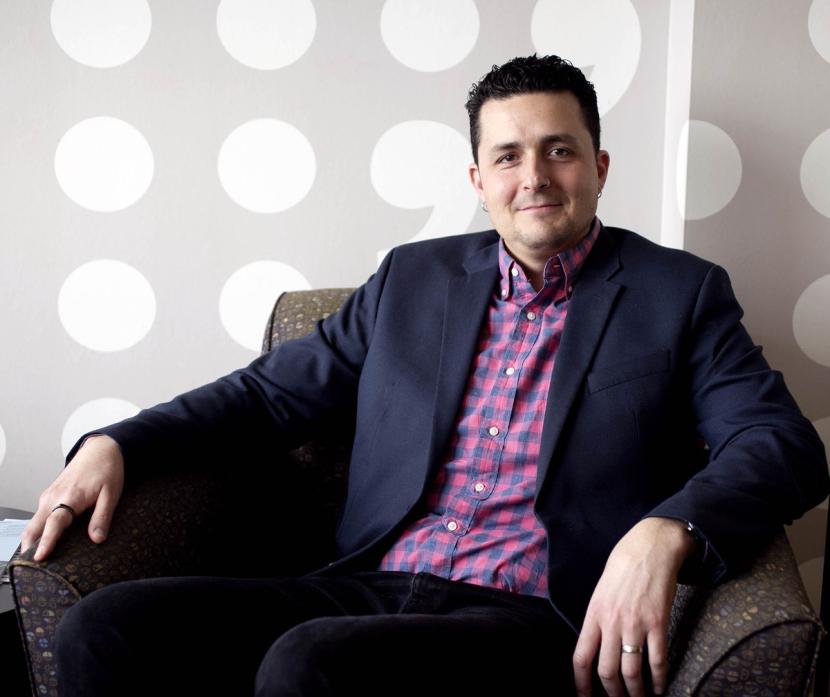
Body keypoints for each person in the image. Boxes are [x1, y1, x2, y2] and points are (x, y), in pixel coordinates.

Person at [22, 55, 828, 697]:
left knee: (310, 663)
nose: (535, 176)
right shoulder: (410, 279)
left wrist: (669, 529)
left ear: (599, 165)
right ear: (478, 180)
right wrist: (118, 442)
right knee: (105, 626)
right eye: (507, 156)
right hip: (368, 583)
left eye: (559, 149)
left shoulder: (678, 294)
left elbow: (781, 442)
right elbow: (267, 394)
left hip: (533, 617)